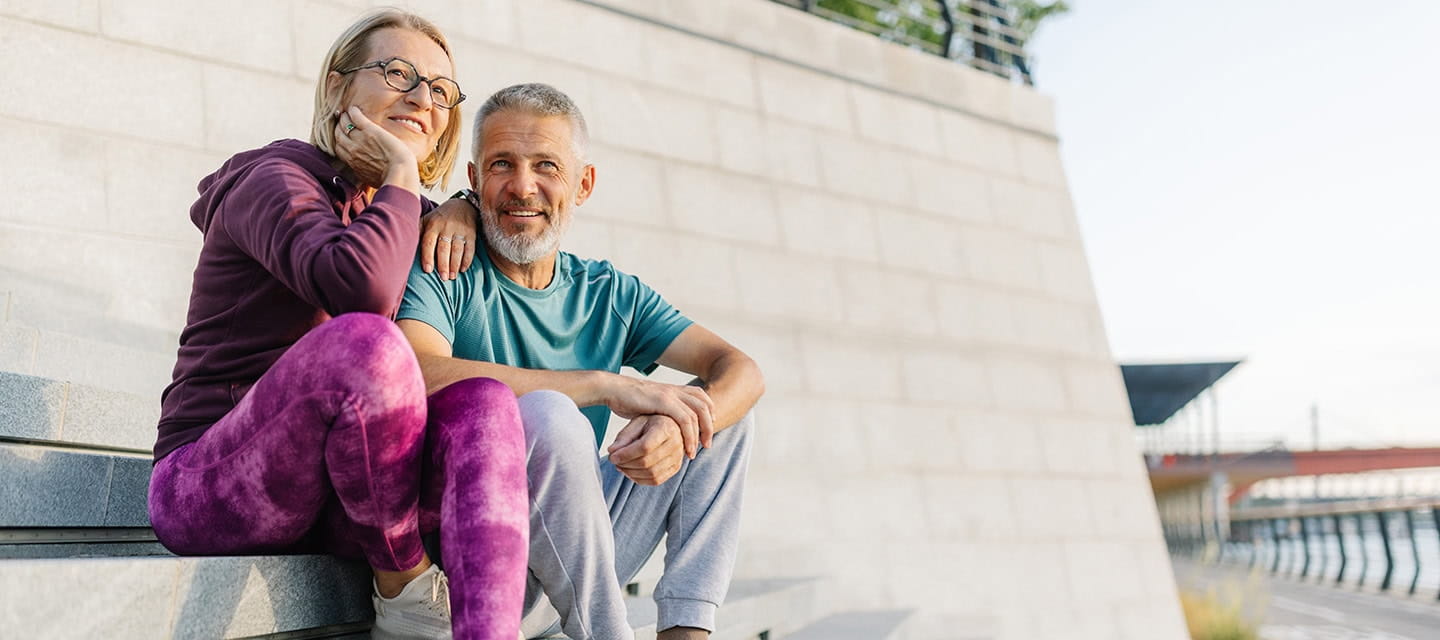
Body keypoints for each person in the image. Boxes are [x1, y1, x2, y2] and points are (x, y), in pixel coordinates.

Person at [147, 10, 526, 640]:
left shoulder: (409, 213)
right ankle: (406, 582)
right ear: (337, 90)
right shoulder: (273, 178)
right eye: (398, 72)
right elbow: (359, 291)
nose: (420, 98)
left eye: (439, 90)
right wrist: (404, 174)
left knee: (485, 403)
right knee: (366, 345)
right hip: (211, 483)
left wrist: (459, 204)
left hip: (337, 499)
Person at [398, 83, 765, 640]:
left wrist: (672, 429)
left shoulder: (608, 292)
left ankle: (687, 632)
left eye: (546, 165)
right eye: (502, 164)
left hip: (582, 554)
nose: (523, 187)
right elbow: (416, 373)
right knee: (552, 414)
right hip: (475, 573)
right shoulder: (445, 264)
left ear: (583, 183)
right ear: (473, 180)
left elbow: (742, 370)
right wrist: (598, 385)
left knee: (714, 414)